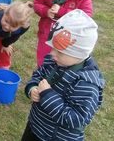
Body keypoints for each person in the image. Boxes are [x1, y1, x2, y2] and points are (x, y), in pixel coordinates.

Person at [22, 9, 104, 141]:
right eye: (52, 47)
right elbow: (38, 75)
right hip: (35, 126)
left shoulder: (87, 85)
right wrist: (31, 88)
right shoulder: (54, 61)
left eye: (59, 52)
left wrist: (47, 96)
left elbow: (76, 120)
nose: (52, 53)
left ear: (79, 54)